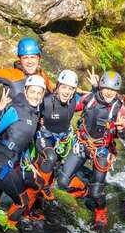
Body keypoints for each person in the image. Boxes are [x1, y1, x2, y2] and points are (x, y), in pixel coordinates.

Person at [0, 37, 53, 217]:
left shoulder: (42, 77)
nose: (30, 61)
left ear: (39, 58)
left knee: (16, 169)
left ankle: (25, 208)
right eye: (26, 57)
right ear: (20, 59)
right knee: (0, 169)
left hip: (21, 132)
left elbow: (50, 96)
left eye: (33, 57)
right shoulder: (11, 75)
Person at [57, 70, 125, 230]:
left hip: (102, 150)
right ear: (100, 87)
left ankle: (100, 210)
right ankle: (83, 190)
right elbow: (68, 108)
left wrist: (122, 129)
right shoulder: (89, 98)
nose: (109, 92)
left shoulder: (120, 109)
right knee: (62, 181)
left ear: (117, 91)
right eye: (106, 88)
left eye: (113, 90)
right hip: (82, 144)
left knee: (97, 192)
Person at [0, 75, 45, 228]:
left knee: (1, 184)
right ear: (25, 91)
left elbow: (22, 142)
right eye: (32, 92)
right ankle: (9, 229)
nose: (36, 96)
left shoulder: (34, 114)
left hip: (9, 162)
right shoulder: (16, 110)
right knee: (22, 201)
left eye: (40, 93)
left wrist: (29, 163)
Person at [21, 69, 82, 220]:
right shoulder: (46, 101)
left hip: (63, 139)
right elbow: (29, 107)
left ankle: (37, 203)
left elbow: (95, 101)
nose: (67, 91)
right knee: (50, 157)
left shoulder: (76, 100)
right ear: (58, 86)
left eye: (71, 88)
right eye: (64, 87)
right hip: (45, 136)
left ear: (74, 90)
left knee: (53, 167)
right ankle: (40, 189)